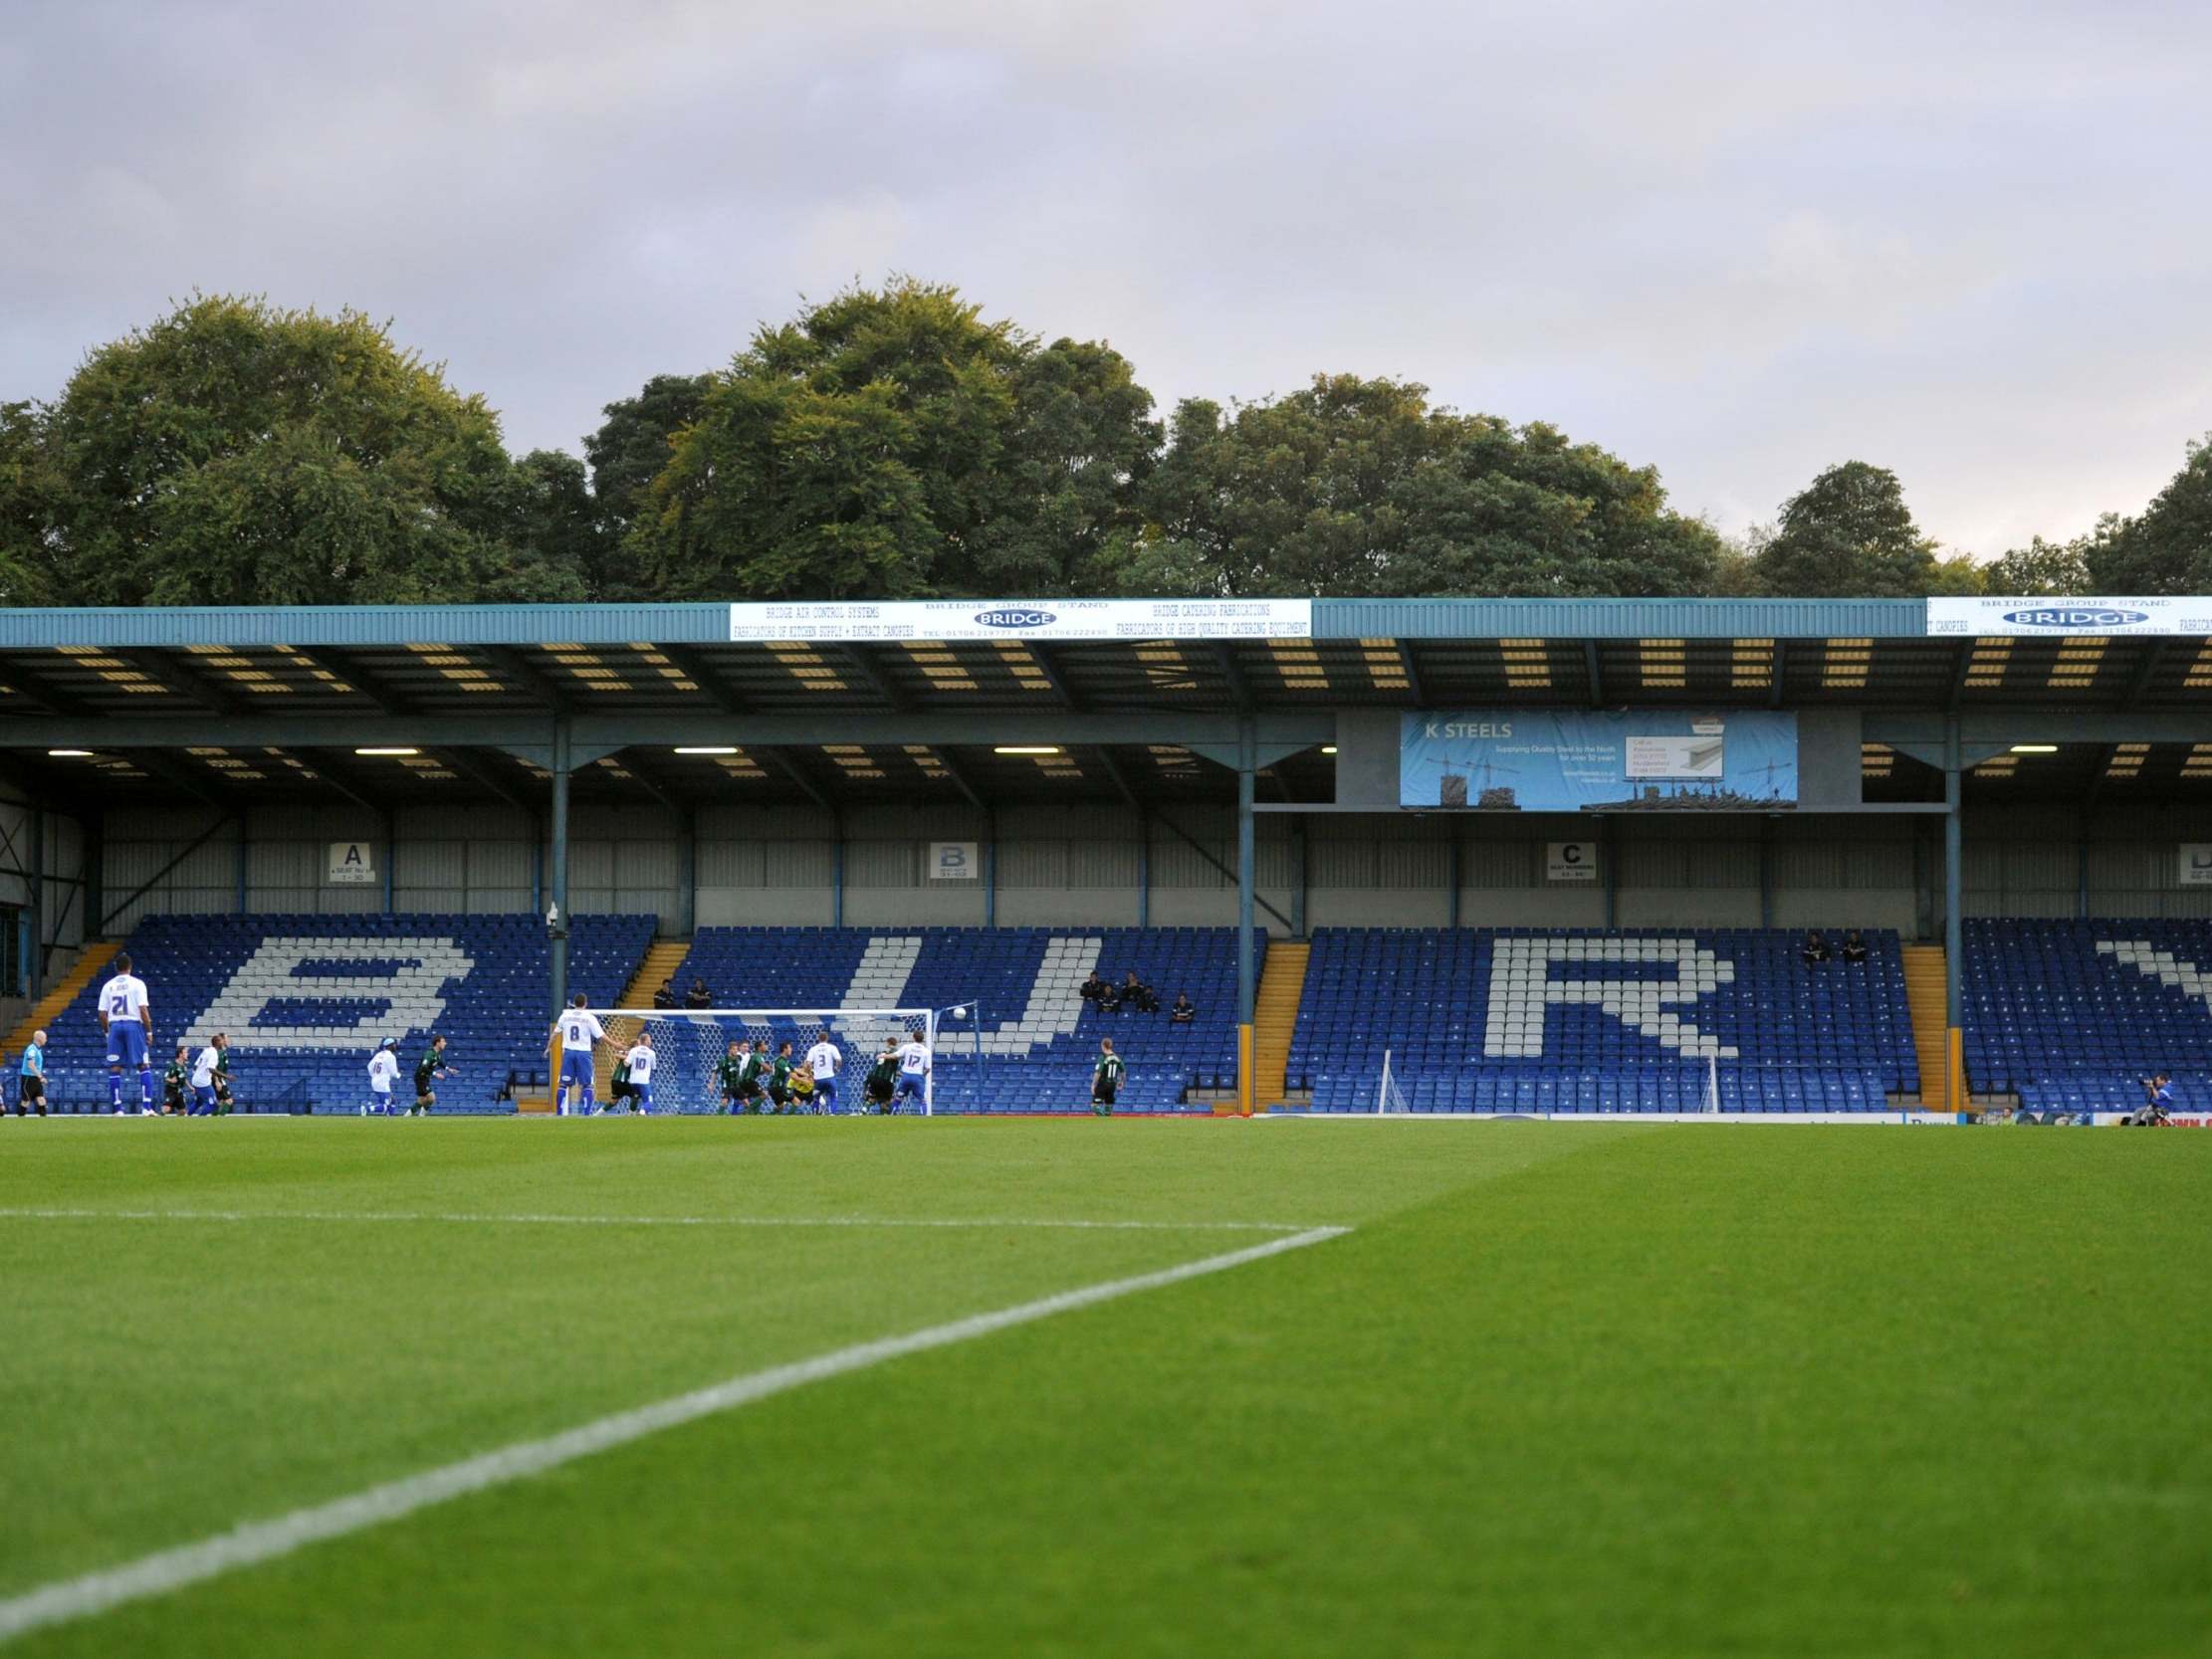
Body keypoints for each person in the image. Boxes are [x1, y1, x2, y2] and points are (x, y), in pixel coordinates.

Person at [98, 950, 155, 1115]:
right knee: (143, 1064)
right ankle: (146, 1107)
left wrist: (107, 1032)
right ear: (130, 966)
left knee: (115, 1067)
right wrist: (149, 1032)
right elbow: (143, 1009)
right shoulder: (137, 984)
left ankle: (117, 1109)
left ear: (116, 967)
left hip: (115, 1026)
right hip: (133, 1024)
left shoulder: (108, 985)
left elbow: (102, 1014)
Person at [548, 993, 605, 1116]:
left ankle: (559, 1113)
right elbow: (601, 1036)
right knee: (587, 1084)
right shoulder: (589, 1017)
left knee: (563, 1084)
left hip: (569, 1051)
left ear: (574, 1003)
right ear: (585, 1003)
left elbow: (554, 1034)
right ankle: (586, 1113)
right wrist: (616, 1045)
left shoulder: (565, 1015)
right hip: (584, 1052)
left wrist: (548, 1047)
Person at [413, 1035, 454, 1116]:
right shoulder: (429, 1053)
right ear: (438, 1043)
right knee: (431, 1098)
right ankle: (420, 1116)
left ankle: (408, 1116)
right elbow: (423, 1067)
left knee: (424, 1099)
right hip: (421, 1077)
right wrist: (435, 1074)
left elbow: (439, 1061)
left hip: (425, 1078)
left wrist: (448, 1068)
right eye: (443, 1041)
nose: (445, 1043)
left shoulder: (437, 1054)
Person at [804, 1033, 843, 1114]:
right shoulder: (832, 1047)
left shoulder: (813, 1049)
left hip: (818, 1079)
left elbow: (808, 1063)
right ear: (827, 1038)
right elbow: (839, 1060)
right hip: (830, 1077)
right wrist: (837, 1069)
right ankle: (833, 1114)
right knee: (833, 1097)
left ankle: (815, 1115)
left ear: (818, 1038)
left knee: (816, 1098)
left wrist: (810, 1074)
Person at [188, 1034, 226, 1116]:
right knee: (214, 1105)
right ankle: (200, 1119)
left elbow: (195, 1066)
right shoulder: (214, 1053)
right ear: (217, 1042)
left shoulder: (207, 1050)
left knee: (199, 1102)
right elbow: (211, 1069)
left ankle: (187, 1116)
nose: (223, 1043)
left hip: (197, 1079)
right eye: (221, 1041)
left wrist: (196, 1080)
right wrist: (226, 1076)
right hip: (203, 1082)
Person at [894, 1028, 931, 1112]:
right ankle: (924, 1120)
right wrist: (922, 1076)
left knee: (898, 1098)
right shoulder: (926, 1051)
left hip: (906, 1075)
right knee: (923, 1100)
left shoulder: (907, 1047)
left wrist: (884, 1056)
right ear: (922, 1039)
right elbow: (928, 1068)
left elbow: (896, 1055)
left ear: (913, 1038)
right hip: (918, 1076)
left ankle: (890, 1115)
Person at [623, 1031, 657, 1116]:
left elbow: (626, 1064)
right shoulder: (651, 1053)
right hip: (643, 1081)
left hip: (633, 1081)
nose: (650, 1042)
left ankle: (631, 1113)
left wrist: (623, 1055)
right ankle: (642, 1112)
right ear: (645, 1041)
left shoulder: (634, 1050)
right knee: (649, 1101)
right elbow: (654, 1067)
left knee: (635, 1097)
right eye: (649, 1040)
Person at [16, 1029, 48, 1118]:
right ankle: (20, 1117)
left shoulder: (37, 1050)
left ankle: (44, 1119)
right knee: (26, 1100)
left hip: (35, 1078)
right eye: (45, 1037)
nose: (46, 1039)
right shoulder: (32, 1049)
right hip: (28, 1078)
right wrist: (41, 1077)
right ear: (39, 1038)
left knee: (41, 1098)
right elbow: (31, 1065)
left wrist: (39, 1077)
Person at [366, 1039, 399, 1117]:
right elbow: (394, 1073)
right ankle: (368, 1108)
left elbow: (369, 1066)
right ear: (390, 1046)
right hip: (382, 1083)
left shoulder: (378, 1054)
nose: (395, 1046)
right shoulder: (391, 1056)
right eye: (394, 1044)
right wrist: (399, 1075)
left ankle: (390, 1116)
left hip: (375, 1080)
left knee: (392, 1100)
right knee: (386, 1105)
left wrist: (374, 1075)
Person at [1091, 1038, 1124, 1116]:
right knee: (1108, 1107)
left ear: (1102, 1045)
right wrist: (1121, 1081)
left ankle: (1103, 1118)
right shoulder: (1116, 1057)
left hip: (1103, 1083)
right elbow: (1123, 1071)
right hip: (1112, 1084)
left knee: (1094, 1106)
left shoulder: (1102, 1057)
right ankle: (1107, 1121)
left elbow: (1098, 1072)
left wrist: (1093, 1084)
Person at [865, 1038, 899, 1113]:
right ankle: (884, 1116)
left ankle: (863, 1110)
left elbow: (880, 1066)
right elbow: (891, 1067)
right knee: (886, 1101)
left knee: (872, 1098)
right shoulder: (896, 1052)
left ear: (888, 1043)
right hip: (887, 1080)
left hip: (875, 1078)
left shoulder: (883, 1053)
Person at [717, 1039, 748, 1115]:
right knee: (724, 1102)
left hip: (736, 1085)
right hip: (727, 1084)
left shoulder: (739, 1058)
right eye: (734, 1049)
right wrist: (711, 1083)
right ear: (729, 1050)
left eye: (737, 1049)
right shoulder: (724, 1060)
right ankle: (718, 1117)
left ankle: (745, 1118)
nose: (736, 1051)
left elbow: (742, 1069)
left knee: (746, 1103)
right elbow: (715, 1072)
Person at [767, 1040, 795, 1112]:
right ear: (785, 1049)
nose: (791, 1049)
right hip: (777, 1087)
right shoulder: (781, 1062)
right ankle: (790, 1121)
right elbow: (791, 1075)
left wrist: (807, 1075)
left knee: (780, 1107)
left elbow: (796, 1070)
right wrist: (804, 1080)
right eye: (790, 1047)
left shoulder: (783, 1060)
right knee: (796, 1101)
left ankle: (768, 1118)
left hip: (774, 1087)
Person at [163, 1044, 191, 1117]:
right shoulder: (173, 1065)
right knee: (166, 1109)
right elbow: (165, 1077)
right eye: (185, 1052)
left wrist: (190, 1087)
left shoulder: (184, 1066)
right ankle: (156, 1121)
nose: (187, 1054)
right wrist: (171, 1080)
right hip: (171, 1090)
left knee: (182, 1111)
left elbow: (184, 1078)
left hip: (179, 1091)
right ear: (180, 1054)